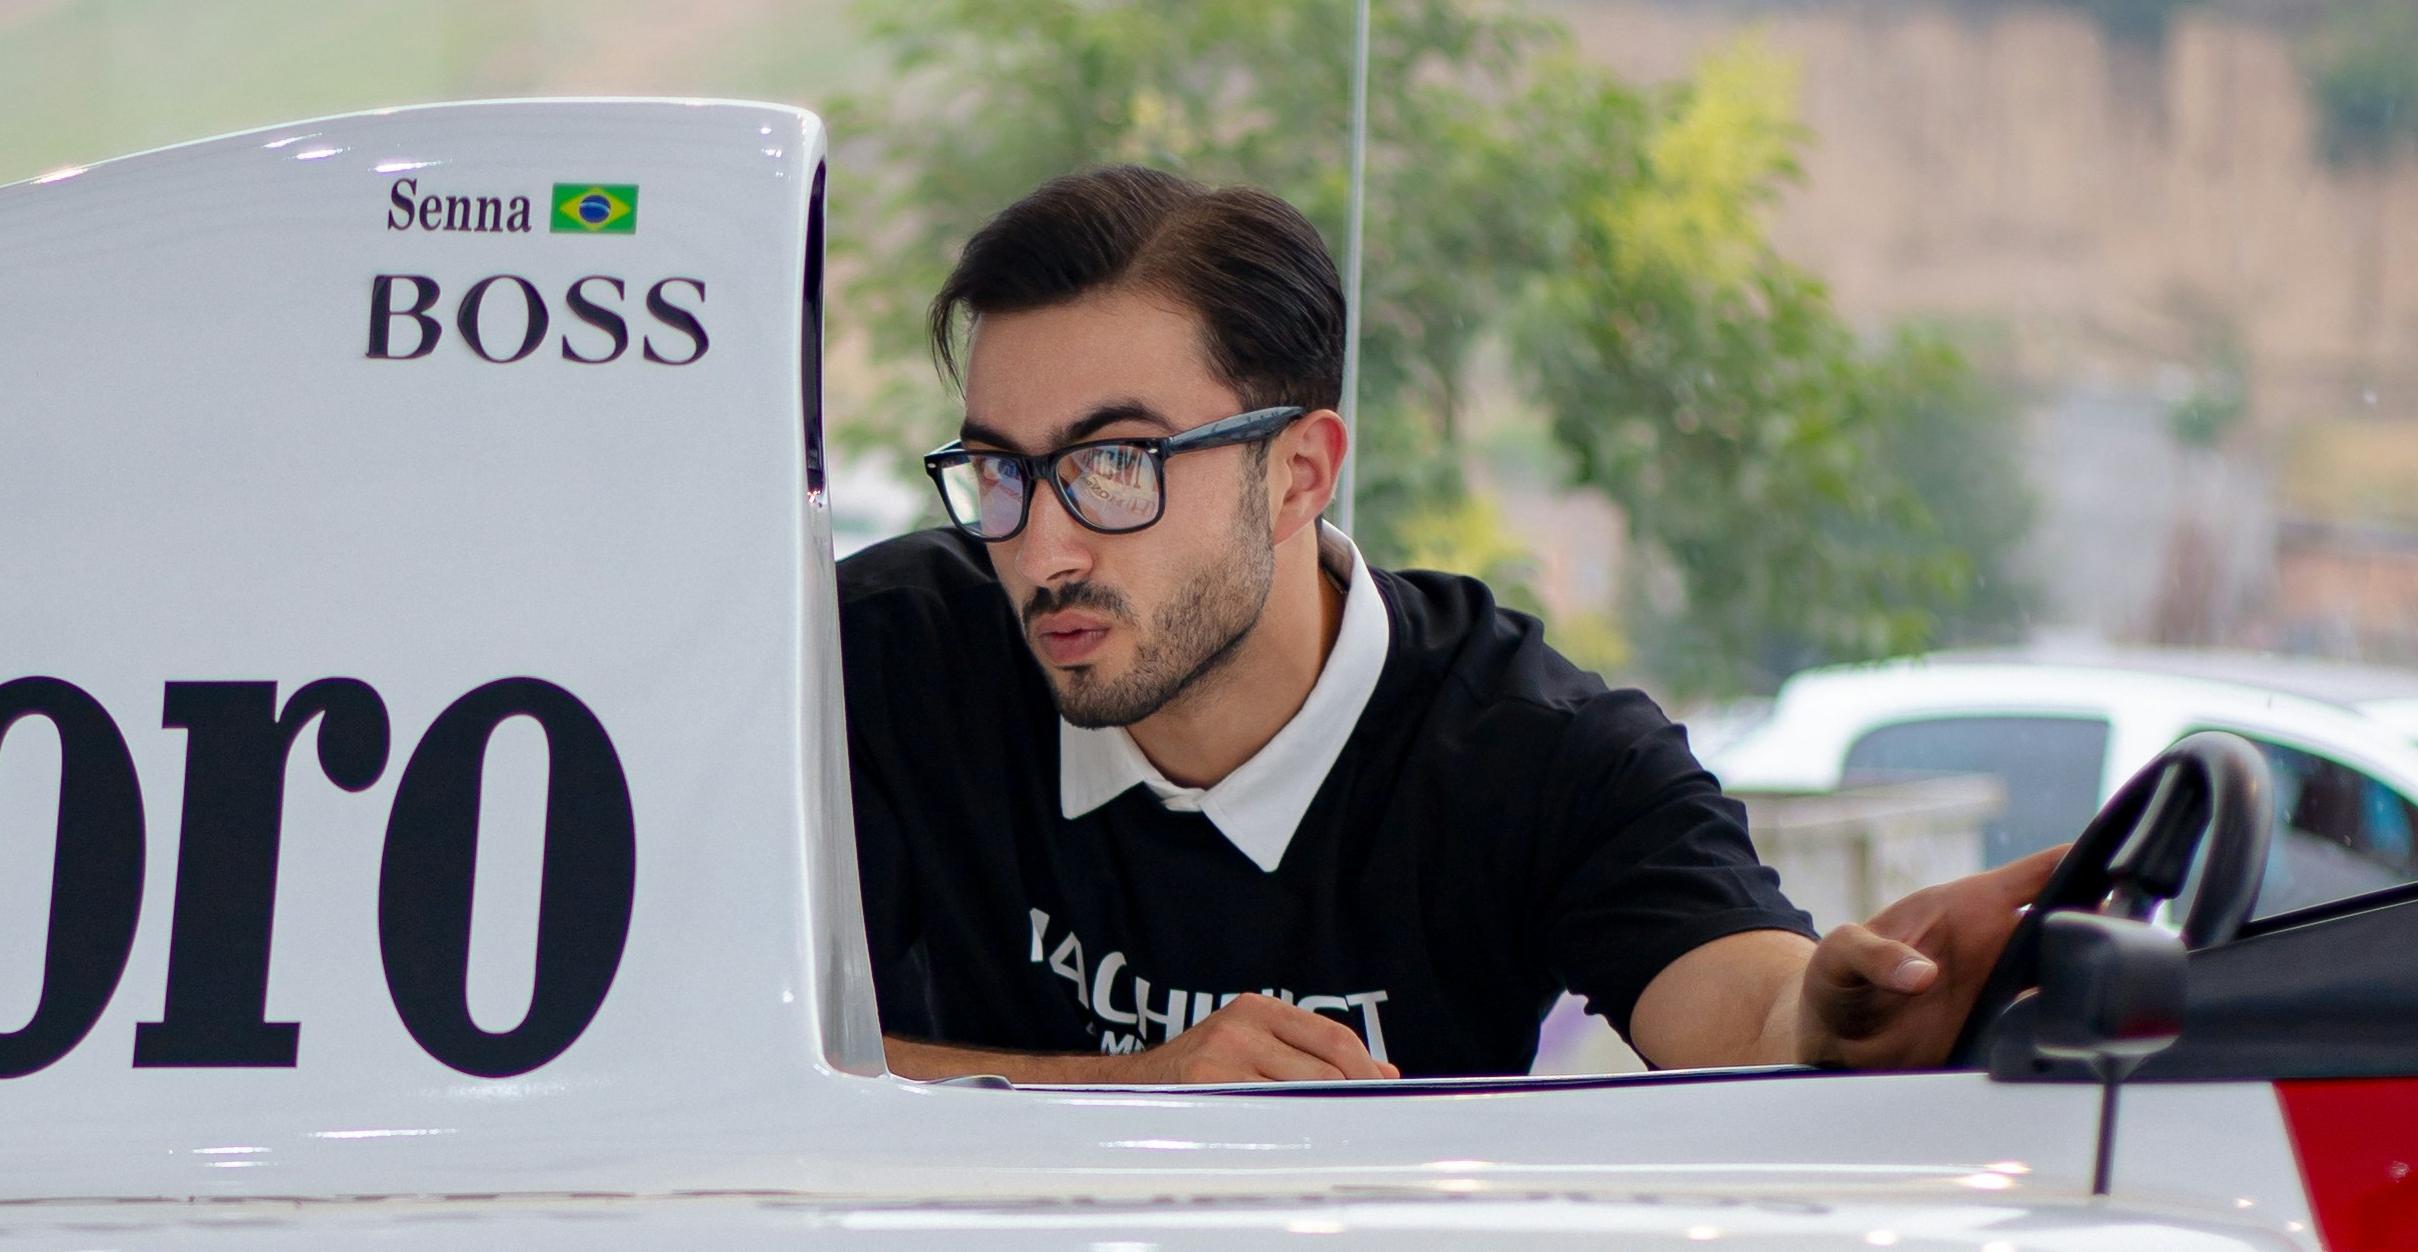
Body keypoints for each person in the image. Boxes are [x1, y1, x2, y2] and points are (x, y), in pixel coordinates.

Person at [839, 164, 2050, 1085]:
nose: (1040, 550)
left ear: (1299, 476)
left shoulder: (1527, 747)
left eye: (1114, 465)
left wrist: (1842, 1024)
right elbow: (694, 1048)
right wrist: (1128, 1097)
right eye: (997, 471)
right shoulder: (881, 661)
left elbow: (1742, 1010)